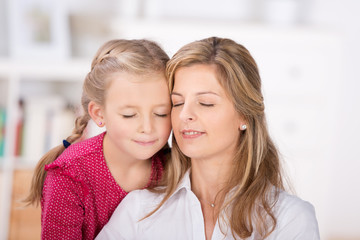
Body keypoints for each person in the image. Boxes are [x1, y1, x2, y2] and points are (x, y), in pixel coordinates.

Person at [96, 37, 320, 240]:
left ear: (244, 115)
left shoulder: (290, 219)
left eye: (206, 103)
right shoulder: (139, 210)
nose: (185, 115)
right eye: (177, 103)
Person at [24, 39, 172, 239]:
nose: (147, 128)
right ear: (98, 113)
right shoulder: (69, 176)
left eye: (162, 113)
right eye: (129, 115)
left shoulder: (173, 166)